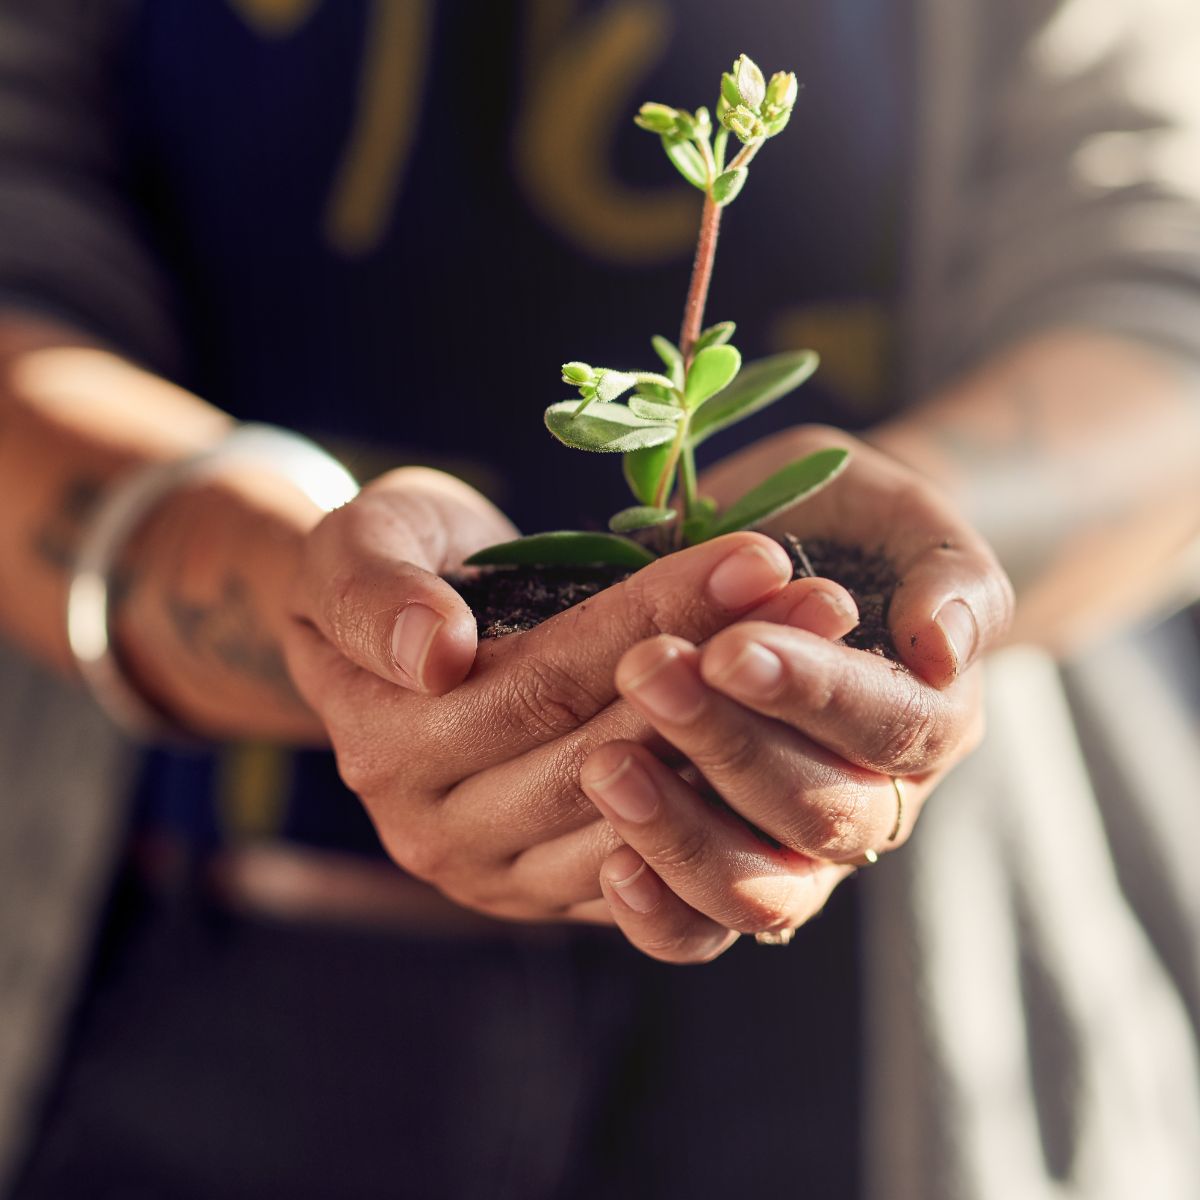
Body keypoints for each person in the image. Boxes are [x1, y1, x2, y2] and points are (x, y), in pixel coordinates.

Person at [0, 1, 1198, 1197]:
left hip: (864, 1035)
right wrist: (302, 599)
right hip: (183, 991)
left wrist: (913, 585)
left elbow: (1159, 290)